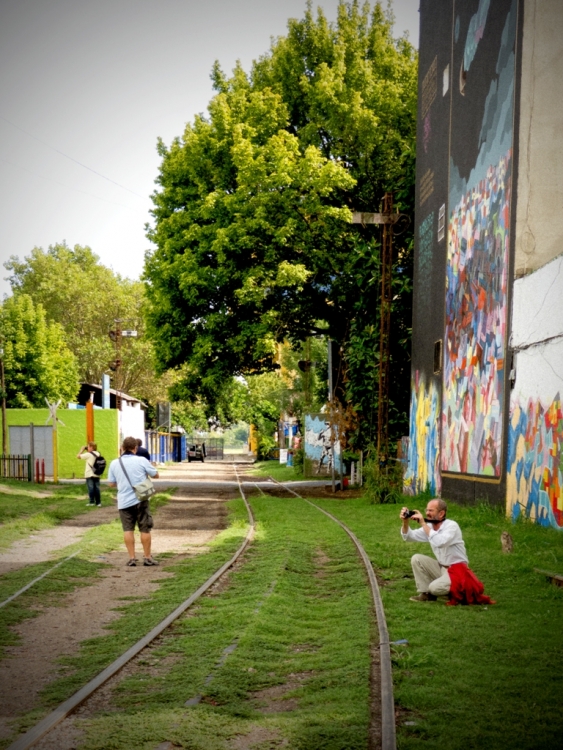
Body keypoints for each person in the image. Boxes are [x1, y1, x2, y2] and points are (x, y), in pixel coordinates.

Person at [400, 498, 494, 605]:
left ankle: (458, 593)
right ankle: (426, 594)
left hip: (458, 571)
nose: (427, 513)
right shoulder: (430, 527)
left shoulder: (451, 526)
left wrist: (423, 524)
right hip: (443, 568)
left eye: (431, 510)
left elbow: (440, 542)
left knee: (434, 588)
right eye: (427, 510)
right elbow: (409, 537)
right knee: (416, 559)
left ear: (441, 513)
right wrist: (405, 522)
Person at [108, 436, 160, 567]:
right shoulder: (141, 460)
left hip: (124, 501)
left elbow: (111, 484)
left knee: (128, 530)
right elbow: (156, 475)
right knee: (145, 529)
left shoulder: (114, 463)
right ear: (135, 448)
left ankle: (132, 558)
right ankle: (147, 558)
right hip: (141, 499)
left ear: (122, 448)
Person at [77, 441, 102, 507]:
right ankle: (98, 502)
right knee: (97, 488)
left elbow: (78, 456)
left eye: (88, 447)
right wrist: (87, 450)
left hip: (89, 474)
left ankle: (91, 502)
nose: (87, 448)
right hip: (97, 473)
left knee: (91, 488)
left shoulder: (88, 454)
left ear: (91, 447)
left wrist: (82, 450)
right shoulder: (98, 453)